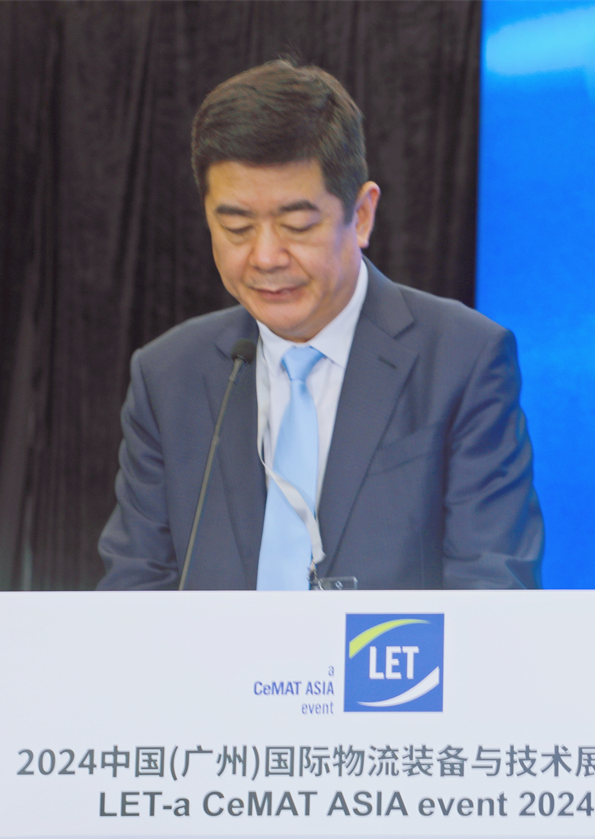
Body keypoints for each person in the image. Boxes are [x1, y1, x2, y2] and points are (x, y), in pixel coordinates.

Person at [97, 59, 543, 591]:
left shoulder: (463, 360)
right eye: (236, 227)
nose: (265, 257)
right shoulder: (167, 375)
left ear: (362, 214)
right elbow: (133, 592)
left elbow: (493, 588)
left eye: (297, 225)